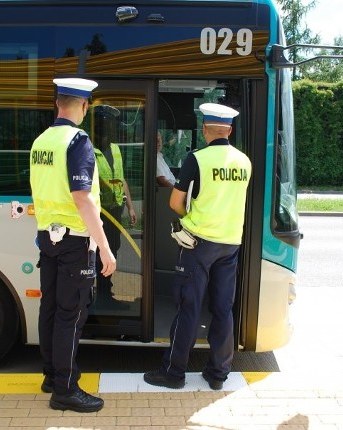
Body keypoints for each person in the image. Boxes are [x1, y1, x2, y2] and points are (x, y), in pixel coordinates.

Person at [143, 102, 252, 391]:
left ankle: (174, 372)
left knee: (189, 307)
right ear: (229, 129)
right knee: (222, 309)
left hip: (198, 244)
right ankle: (218, 374)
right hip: (230, 245)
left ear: (205, 130)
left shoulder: (198, 159)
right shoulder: (244, 161)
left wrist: (188, 218)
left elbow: (175, 203)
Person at [30, 77, 116, 413]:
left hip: (47, 238)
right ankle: (65, 389)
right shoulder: (77, 141)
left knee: (50, 308)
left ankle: (51, 376)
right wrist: (105, 248)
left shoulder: (41, 142)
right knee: (71, 313)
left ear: (57, 104)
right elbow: (83, 198)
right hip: (74, 241)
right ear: (83, 106)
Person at [91, 104, 136, 309]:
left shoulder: (116, 149)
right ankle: (100, 295)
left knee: (113, 250)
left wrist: (131, 206)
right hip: (98, 212)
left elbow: (122, 178)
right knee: (99, 251)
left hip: (115, 209)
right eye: (104, 123)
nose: (108, 128)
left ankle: (105, 291)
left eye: (110, 124)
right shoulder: (88, 149)